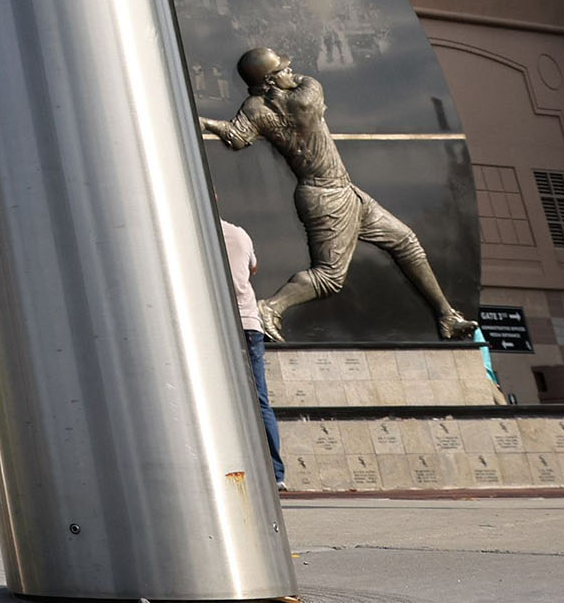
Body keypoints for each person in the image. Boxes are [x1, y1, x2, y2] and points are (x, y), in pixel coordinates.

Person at [201, 46, 473, 341]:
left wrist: (205, 122)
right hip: (327, 196)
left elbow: (236, 137)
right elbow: (304, 82)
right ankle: (269, 308)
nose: (291, 71)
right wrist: (279, 82)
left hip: (342, 191)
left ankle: (446, 316)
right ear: (270, 80)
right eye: (283, 69)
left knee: (405, 241)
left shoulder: (254, 108)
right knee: (329, 277)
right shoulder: (306, 96)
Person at [223, 218, 285, 486]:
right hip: (250, 322)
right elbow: (254, 268)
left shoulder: (193, 232)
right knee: (260, 398)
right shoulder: (239, 234)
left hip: (222, 324)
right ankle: (276, 474)